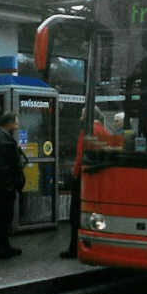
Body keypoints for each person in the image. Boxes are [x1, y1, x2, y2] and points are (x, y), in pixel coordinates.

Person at [61, 108, 110, 259]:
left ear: (88, 116)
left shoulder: (88, 131)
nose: (80, 117)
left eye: (82, 114)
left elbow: (80, 156)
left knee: (75, 214)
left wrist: (74, 175)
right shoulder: (104, 131)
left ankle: (74, 249)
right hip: (97, 178)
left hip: (84, 177)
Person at [0, 112, 26, 259]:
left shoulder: (1, 138)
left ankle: (4, 246)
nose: (17, 125)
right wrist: (11, 183)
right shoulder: (1, 141)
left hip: (4, 185)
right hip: (4, 186)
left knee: (4, 217)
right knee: (2, 218)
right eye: (15, 122)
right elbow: (2, 167)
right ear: (8, 123)